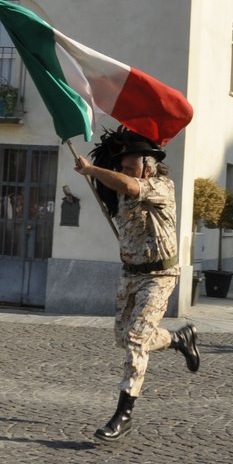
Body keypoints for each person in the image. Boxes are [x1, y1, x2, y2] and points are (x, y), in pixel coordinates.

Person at [73, 127, 199, 441]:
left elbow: (131, 186)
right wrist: (93, 177)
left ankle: (123, 413)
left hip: (159, 277)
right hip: (130, 274)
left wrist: (92, 169)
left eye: (131, 167)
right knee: (122, 336)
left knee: (135, 340)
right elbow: (120, 187)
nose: (125, 173)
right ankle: (178, 339)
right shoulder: (120, 192)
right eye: (123, 167)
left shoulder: (161, 186)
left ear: (148, 166)